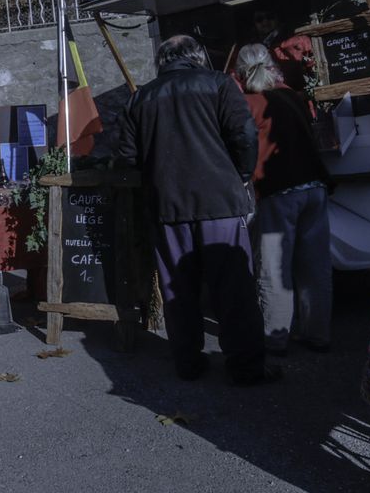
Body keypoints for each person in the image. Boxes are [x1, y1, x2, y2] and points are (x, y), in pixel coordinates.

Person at [118, 34, 279, 385]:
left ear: (163, 61)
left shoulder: (140, 98)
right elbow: (245, 135)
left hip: (167, 207)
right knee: (233, 286)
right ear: (196, 57)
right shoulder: (219, 84)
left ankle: (188, 362)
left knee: (179, 288)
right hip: (219, 202)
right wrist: (240, 174)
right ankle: (246, 366)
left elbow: (128, 158)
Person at [235, 44, 331, 356]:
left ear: (240, 73)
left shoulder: (248, 103)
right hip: (314, 187)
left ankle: (275, 340)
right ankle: (317, 334)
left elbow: (243, 149)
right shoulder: (291, 95)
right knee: (314, 266)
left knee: (275, 270)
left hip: (279, 192)